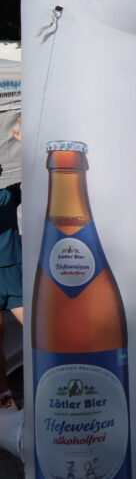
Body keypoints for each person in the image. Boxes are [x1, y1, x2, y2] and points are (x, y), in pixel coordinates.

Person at [0, 124, 21, 409]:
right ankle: (4, 397)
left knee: (41, 328)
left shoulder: (7, 195)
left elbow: (40, 177)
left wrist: (29, 144)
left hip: (14, 272)